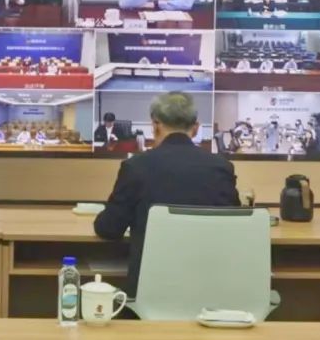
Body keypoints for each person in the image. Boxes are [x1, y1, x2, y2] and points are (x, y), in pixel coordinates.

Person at [93, 92, 240, 295]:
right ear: (196, 128)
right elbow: (234, 228)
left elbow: (108, 229)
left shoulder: (136, 167)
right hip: (210, 293)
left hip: (149, 294)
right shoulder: (222, 168)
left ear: (155, 126)